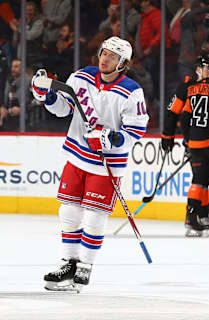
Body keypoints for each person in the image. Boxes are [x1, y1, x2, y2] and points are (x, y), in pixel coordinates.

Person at [31, 36, 148, 291]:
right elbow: (64, 109)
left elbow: (136, 130)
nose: (105, 59)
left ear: (123, 63)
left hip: (106, 163)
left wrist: (113, 138)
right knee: (69, 212)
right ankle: (69, 263)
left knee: (95, 215)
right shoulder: (81, 77)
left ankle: (85, 266)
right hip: (76, 155)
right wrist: (46, 97)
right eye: (103, 53)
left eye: (112, 57)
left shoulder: (131, 91)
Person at [178, 53, 209, 237]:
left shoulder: (192, 89)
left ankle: (192, 219)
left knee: (199, 180)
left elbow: (184, 118)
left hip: (195, 142)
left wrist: (188, 139)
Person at [0, 59, 34, 131]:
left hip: (25, 121)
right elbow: (3, 97)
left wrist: (23, 109)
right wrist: (2, 107)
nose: (13, 69)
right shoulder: (8, 80)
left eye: (16, 67)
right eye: (12, 67)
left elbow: (36, 101)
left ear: (23, 68)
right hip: (9, 120)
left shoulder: (29, 81)